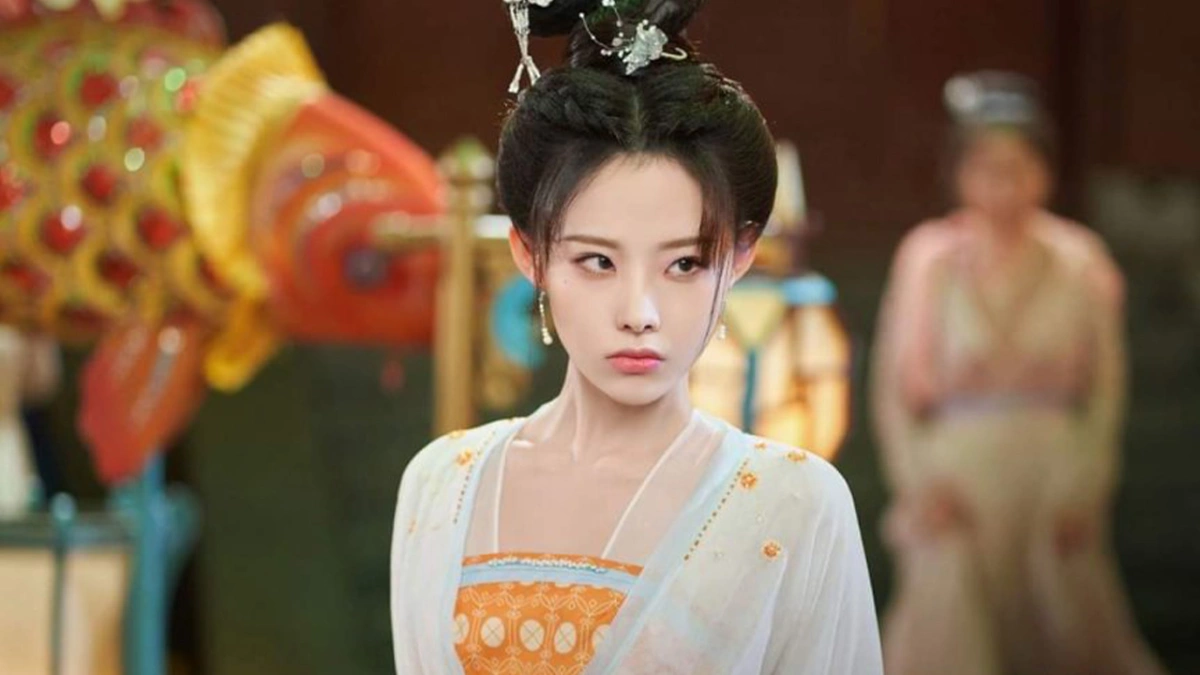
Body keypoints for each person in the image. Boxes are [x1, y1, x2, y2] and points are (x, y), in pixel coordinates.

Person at [390, 1, 883, 673]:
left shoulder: (793, 503)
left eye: (684, 264)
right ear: (530, 254)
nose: (639, 312)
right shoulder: (441, 485)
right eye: (598, 261)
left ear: (740, 256)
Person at [872, 71, 1167, 675]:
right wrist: (918, 484)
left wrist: (1086, 485)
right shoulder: (929, 257)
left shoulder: (1080, 259)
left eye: (1019, 166)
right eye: (987, 167)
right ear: (959, 173)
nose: (1004, 184)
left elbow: (1107, 390)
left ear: (1045, 171)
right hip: (958, 477)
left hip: (1051, 475)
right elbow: (892, 391)